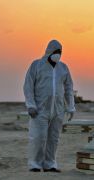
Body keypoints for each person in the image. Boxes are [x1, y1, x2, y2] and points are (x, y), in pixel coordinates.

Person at [23, 39, 75, 172]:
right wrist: (30, 105)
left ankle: (50, 164)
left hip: (58, 110)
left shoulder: (63, 68)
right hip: (40, 109)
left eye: (61, 52)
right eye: (57, 51)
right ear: (49, 51)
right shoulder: (36, 65)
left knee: (54, 138)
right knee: (38, 137)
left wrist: (70, 107)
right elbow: (28, 86)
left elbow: (69, 88)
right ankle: (35, 164)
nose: (59, 54)